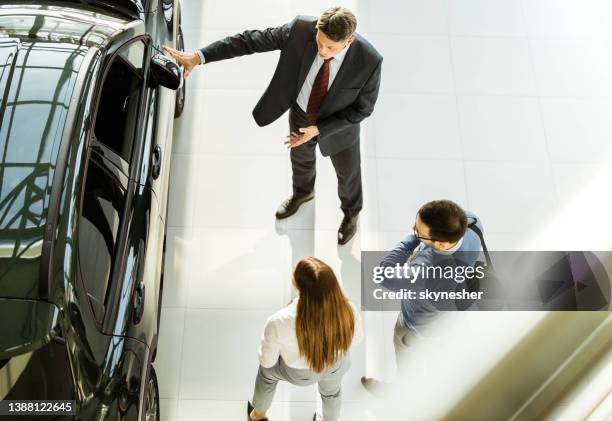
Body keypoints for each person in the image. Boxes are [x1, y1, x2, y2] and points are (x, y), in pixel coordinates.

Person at [163, 7, 383, 245]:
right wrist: (199, 56)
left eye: (330, 48)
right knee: (300, 160)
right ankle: (302, 193)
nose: (322, 51)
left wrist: (319, 129)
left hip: (340, 126)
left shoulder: (369, 60)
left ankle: (351, 215)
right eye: (319, 43)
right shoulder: (300, 30)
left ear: (348, 41)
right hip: (301, 113)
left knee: (348, 175)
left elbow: (363, 109)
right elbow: (248, 41)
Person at [361, 200, 484, 393]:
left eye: (419, 232)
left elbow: (383, 275)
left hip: (417, 323)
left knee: (404, 349)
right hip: (452, 310)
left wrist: (410, 240)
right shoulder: (472, 221)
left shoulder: (423, 270)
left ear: (441, 244)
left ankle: (400, 391)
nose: (414, 230)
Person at [248, 257, 362, 421]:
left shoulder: (279, 321)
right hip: (335, 366)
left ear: (297, 286)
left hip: (297, 373)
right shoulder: (349, 309)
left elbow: (267, 361)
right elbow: (355, 340)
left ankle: (258, 416)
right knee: (332, 394)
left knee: (266, 375)